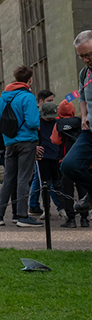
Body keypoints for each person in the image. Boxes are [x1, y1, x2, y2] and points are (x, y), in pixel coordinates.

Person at [0, 66, 41, 227]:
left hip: (9, 142)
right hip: (27, 141)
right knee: (24, 178)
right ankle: (22, 215)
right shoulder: (28, 96)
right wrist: (37, 125)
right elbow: (32, 122)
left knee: (9, 178)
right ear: (29, 80)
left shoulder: (4, 97)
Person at [62, 30, 92, 213]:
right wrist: (84, 115)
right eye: (81, 56)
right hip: (89, 131)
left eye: (88, 55)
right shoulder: (84, 73)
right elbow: (81, 95)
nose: (85, 60)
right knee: (69, 166)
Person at [51, 99, 88, 228]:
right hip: (81, 162)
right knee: (82, 189)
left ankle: (71, 219)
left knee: (67, 191)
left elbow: (54, 140)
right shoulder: (80, 121)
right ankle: (84, 219)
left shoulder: (58, 124)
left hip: (65, 160)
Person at [28, 90, 58, 217]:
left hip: (51, 153)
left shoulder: (54, 119)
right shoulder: (36, 116)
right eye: (49, 101)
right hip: (42, 153)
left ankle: (34, 204)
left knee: (41, 179)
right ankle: (49, 206)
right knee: (43, 181)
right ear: (41, 102)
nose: (52, 103)